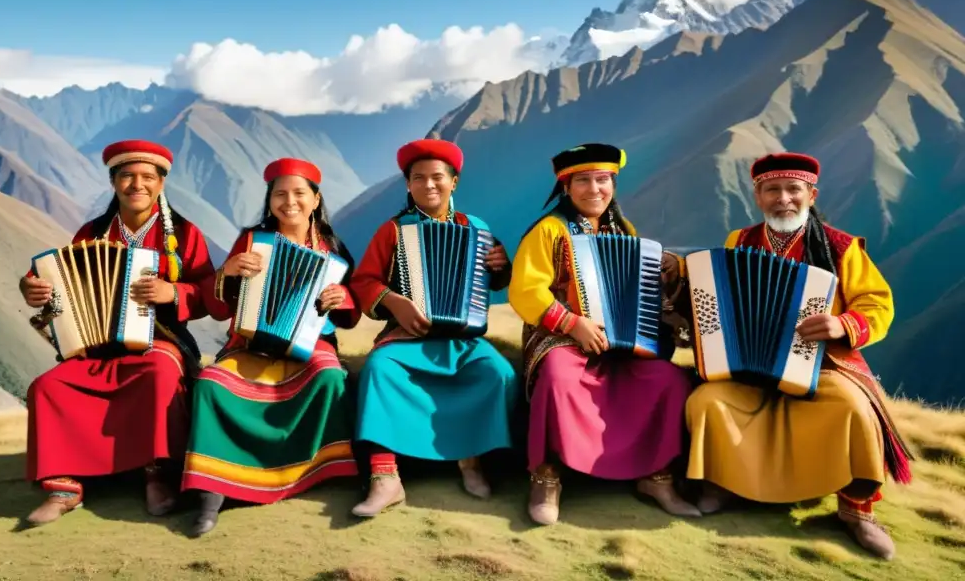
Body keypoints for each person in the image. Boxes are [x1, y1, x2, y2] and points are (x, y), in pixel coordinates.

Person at [684, 152, 914, 561]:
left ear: (811, 194)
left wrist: (843, 325)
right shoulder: (739, 241)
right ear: (757, 195)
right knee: (707, 401)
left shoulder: (843, 247)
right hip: (749, 365)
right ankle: (723, 484)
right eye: (773, 189)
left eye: (794, 190)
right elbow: (721, 295)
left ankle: (856, 508)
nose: (784, 199)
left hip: (823, 363)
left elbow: (878, 305)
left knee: (853, 408)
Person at [19, 139, 215, 525]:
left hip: (163, 340)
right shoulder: (92, 231)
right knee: (48, 387)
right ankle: (64, 485)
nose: (136, 184)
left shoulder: (185, 234)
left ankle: (157, 473)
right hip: (100, 345)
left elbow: (211, 294)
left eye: (147, 176)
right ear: (113, 182)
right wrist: (32, 287)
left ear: (161, 183)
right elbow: (62, 276)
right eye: (126, 176)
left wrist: (173, 292)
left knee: (159, 375)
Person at [508, 142, 699, 526]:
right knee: (559, 376)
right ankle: (546, 476)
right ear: (565, 187)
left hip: (618, 341)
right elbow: (525, 290)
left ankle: (657, 476)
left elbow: (640, 285)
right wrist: (571, 323)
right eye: (583, 181)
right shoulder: (549, 231)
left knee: (669, 380)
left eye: (603, 180)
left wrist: (670, 271)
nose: (595, 189)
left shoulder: (624, 230)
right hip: (561, 336)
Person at [181, 158, 361, 537]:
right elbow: (217, 308)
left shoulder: (334, 247)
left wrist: (340, 297)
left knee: (329, 376)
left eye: (299, 193)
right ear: (269, 200)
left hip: (312, 345)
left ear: (316, 199)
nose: (289, 201)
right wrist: (226, 273)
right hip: (248, 344)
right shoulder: (251, 242)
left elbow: (351, 314)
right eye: (280, 194)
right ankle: (212, 493)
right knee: (211, 382)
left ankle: (318, 473)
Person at [346, 138, 519, 518]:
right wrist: (393, 301)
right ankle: (384, 476)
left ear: (453, 181)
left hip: (462, 339)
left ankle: (471, 460)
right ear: (407, 185)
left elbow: (495, 281)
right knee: (378, 369)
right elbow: (364, 282)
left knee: (499, 373)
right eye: (418, 178)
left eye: (437, 177)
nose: (428, 185)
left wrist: (500, 266)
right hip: (406, 336)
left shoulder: (477, 229)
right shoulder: (392, 231)